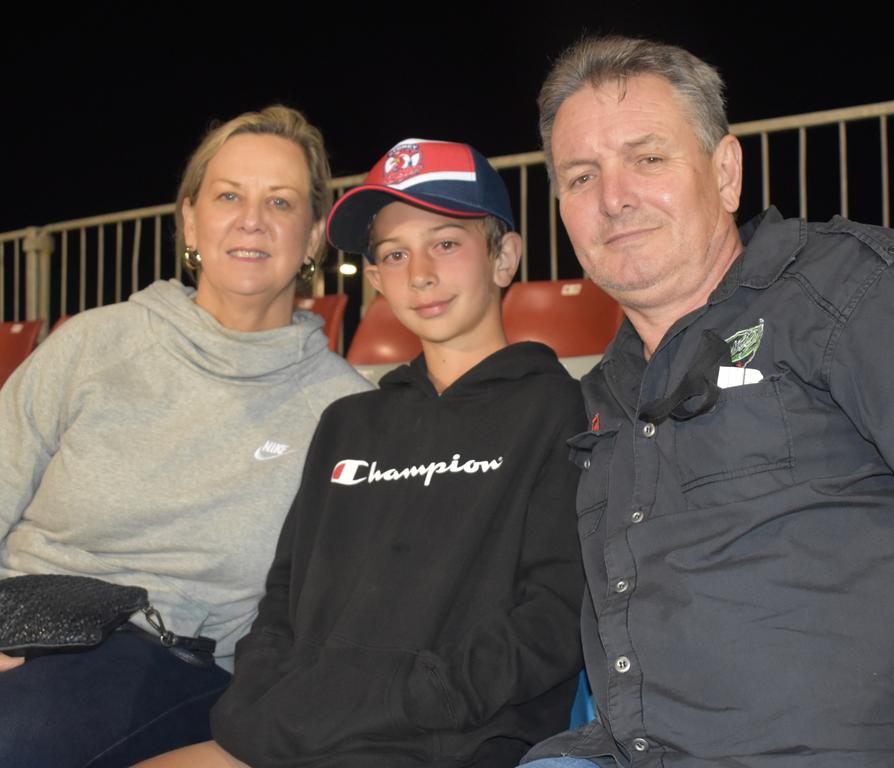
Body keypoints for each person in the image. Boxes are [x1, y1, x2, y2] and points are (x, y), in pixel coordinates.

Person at [520, 35, 894, 768]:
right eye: (580, 176)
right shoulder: (606, 393)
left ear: (726, 173)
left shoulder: (860, 291)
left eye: (648, 158)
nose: (614, 197)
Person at [140, 139, 586, 768]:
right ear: (374, 279)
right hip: (299, 729)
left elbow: (555, 613)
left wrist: (416, 699)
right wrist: (258, 700)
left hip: (448, 739)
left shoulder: (555, 411)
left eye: (447, 243)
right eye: (395, 255)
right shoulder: (348, 422)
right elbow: (283, 596)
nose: (421, 273)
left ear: (503, 256)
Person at [0, 105, 371, 767]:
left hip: (169, 658)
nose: (251, 219)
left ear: (314, 235)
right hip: (16, 615)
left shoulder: (345, 411)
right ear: (189, 218)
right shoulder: (93, 342)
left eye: (280, 202)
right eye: (229, 195)